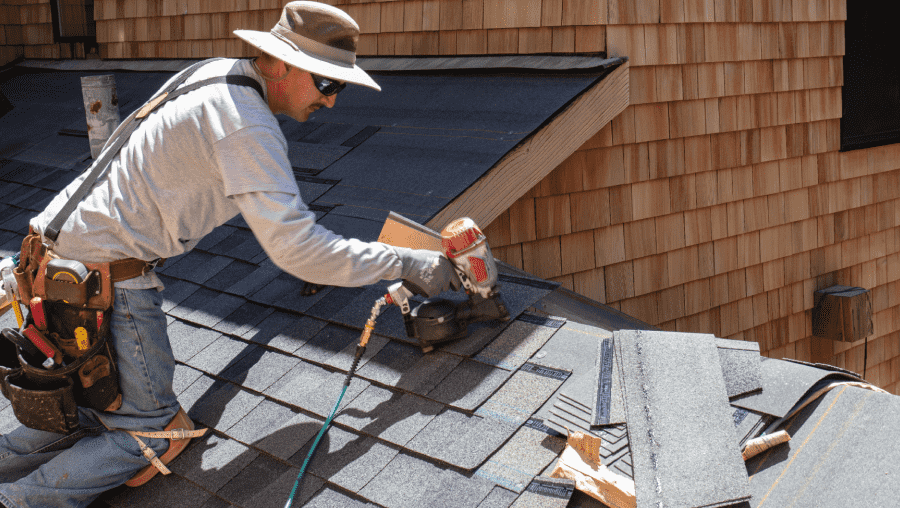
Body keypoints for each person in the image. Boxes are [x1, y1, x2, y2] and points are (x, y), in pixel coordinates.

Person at [0, 2, 459, 507]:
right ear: (279, 63)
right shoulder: (246, 125)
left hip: (50, 261)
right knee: (152, 434)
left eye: (339, 87)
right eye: (326, 84)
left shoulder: (216, 74)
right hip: (102, 278)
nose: (331, 102)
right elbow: (300, 251)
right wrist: (408, 262)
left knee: (79, 411)